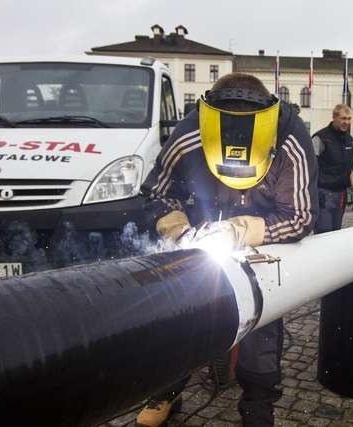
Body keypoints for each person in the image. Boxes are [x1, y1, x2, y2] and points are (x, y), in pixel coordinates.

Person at [135, 73, 318, 427]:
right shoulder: (188, 136)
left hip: (263, 236)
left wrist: (241, 230)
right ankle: (168, 390)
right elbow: (156, 193)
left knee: (262, 314)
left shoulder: (291, 140)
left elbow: (301, 216)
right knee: (186, 309)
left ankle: (258, 404)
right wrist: (178, 228)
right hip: (203, 227)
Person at [312, 104, 353, 232]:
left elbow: (349, 165)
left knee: (336, 232)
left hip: (341, 193)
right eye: (343, 118)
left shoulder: (349, 139)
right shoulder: (320, 138)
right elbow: (309, 165)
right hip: (323, 193)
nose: (346, 122)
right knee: (323, 232)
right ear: (334, 118)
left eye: (349, 119)